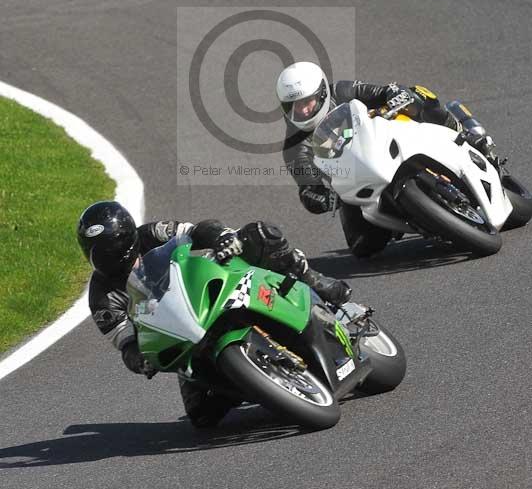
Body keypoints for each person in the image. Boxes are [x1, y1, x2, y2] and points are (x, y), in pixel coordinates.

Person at [78, 200, 352, 427]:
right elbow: (125, 343)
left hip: (204, 291)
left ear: (128, 236)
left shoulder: (151, 233)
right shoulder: (102, 297)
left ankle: (312, 280)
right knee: (201, 416)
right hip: (181, 336)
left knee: (259, 234)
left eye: (111, 247)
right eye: (96, 252)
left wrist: (221, 238)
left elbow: (196, 231)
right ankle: (255, 381)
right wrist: (140, 361)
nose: (106, 257)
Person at [276, 61, 496, 257]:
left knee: (419, 95)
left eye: (308, 102)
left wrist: (396, 97)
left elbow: (384, 91)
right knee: (362, 246)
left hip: (383, 140)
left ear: (322, 93)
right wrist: (321, 197)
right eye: (294, 106)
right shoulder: (294, 146)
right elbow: (307, 186)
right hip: (354, 182)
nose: (303, 110)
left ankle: (465, 134)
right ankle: (413, 218)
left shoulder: (341, 91)